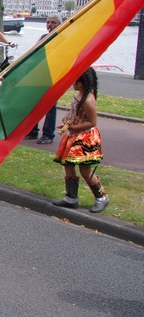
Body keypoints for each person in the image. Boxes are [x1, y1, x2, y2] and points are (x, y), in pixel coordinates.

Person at [52, 68, 108, 213]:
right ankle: (71, 197)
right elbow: (75, 112)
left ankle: (101, 197)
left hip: (85, 138)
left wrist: (74, 127)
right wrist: (68, 118)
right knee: (68, 164)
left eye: (74, 81)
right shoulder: (79, 95)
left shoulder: (88, 100)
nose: (72, 83)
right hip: (73, 134)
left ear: (81, 83)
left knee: (85, 171)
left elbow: (92, 122)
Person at [27, 14, 61, 144]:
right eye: (48, 22)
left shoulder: (62, 38)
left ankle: (48, 134)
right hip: (41, 75)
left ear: (59, 24)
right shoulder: (43, 37)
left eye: (53, 22)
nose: (49, 25)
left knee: (50, 105)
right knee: (34, 103)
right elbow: (34, 52)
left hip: (53, 76)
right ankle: (32, 130)